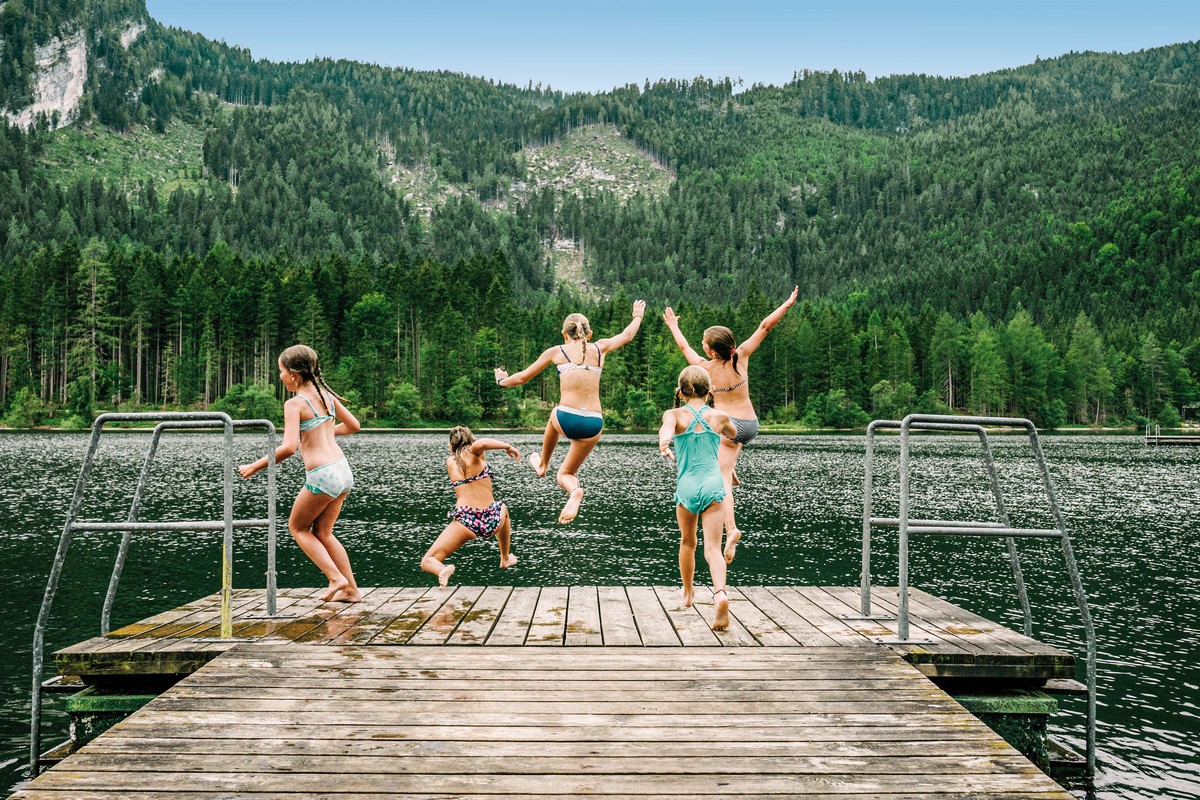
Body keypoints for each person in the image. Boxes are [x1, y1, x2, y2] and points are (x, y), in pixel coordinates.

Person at [662, 286, 798, 564]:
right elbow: (765, 327)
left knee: (720, 479)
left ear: (711, 352)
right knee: (728, 457)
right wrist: (786, 304)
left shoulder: (704, 368)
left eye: (704, 342)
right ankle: (731, 467)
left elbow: (683, 347)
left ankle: (732, 529)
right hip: (750, 425)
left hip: (727, 427)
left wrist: (673, 325)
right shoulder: (741, 356)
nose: (701, 344)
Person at [494, 300, 646, 524]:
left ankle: (543, 465)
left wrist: (501, 381)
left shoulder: (557, 351)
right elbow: (627, 335)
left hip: (566, 418)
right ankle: (575, 491)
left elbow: (522, 377)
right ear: (589, 334)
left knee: (555, 412)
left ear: (564, 334)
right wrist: (637, 316)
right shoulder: (600, 348)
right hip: (594, 424)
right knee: (565, 475)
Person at [238, 344, 362, 603]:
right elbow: (354, 426)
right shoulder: (326, 395)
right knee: (324, 532)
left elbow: (288, 448)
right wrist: (323, 432)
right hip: (342, 469)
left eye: (281, 372)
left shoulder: (295, 403)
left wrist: (254, 466)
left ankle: (335, 578)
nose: (280, 377)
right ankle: (351, 590)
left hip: (322, 475)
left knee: (298, 527)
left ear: (294, 374)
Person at [659, 366, 739, 631]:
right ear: (710, 391)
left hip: (687, 487)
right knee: (713, 548)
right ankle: (720, 594)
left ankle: (688, 593)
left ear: (680, 393)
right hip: (714, 485)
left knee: (688, 542)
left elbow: (667, 429)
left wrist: (665, 442)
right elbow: (735, 435)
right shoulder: (719, 416)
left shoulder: (674, 414)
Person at [422, 426, 520, 587]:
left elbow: (471, 449)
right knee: (503, 508)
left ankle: (441, 570)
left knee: (427, 560)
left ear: (450, 446)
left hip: (466, 521)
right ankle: (505, 557)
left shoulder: (450, 461)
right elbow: (482, 444)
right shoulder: (476, 453)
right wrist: (507, 447)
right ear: (471, 440)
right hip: (492, 519)